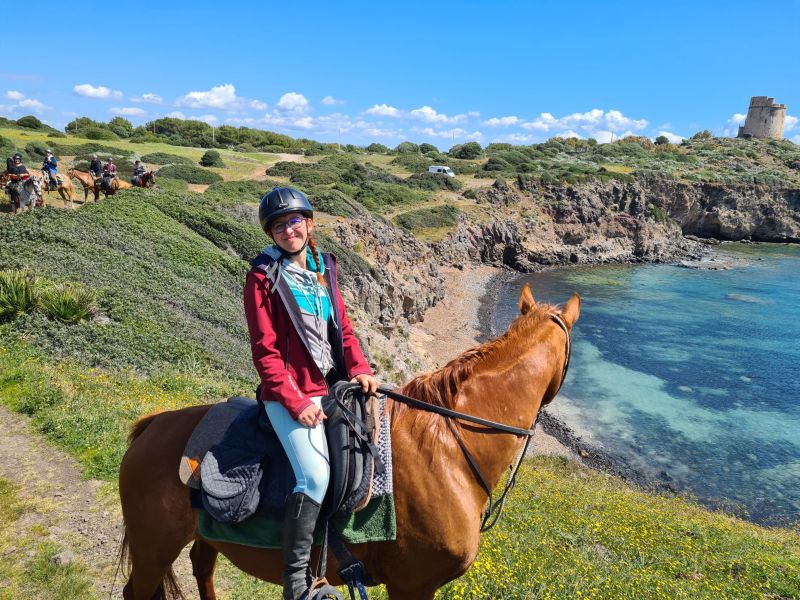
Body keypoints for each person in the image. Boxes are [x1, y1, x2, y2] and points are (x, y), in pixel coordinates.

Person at [243, 187, 378, 600]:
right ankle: (296, 585)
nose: (289, 229)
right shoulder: (263, 277)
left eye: (295, 221)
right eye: (279, 225)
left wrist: (359, 368)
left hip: (331, 386)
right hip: (289, 395)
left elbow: (344, 327)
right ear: (272, 233)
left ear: (309, 223)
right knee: (314, 474)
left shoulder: (324, 267)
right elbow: (264, 351)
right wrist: (295, 401)